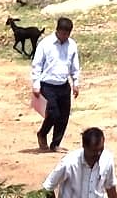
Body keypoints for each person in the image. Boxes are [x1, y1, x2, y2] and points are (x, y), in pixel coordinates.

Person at [31, 17, 81, 152]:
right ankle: (42, 134)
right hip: (47, 84)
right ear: (57, 31)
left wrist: (76, 82)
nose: (65, 37)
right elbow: (37, 65)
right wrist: (36, 85)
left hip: (64, 85)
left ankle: (55, 144)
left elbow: (74, 66)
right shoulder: (45, 44)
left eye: (67, 34)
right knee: (53, 113)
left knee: (64, 116)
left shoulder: (72, 45)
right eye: (63, 33)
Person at [41, 126, 117, 198]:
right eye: (94, 151)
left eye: (101, 149)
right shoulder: (69, 163)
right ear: (84, 146)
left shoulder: (107, 159)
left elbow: (110, 187)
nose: (99, 153)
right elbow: (47, 187)